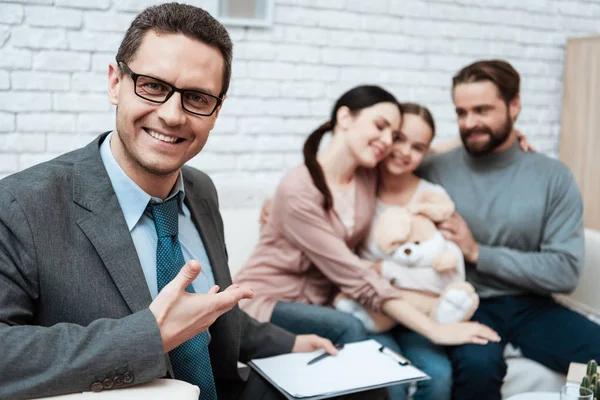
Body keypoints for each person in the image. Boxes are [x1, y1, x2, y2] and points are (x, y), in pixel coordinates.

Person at [0, 4, 370, 400]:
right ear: (115, 83)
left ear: (216, 110)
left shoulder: (200, 190)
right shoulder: (22, 205)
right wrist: (148, 336)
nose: (173, 115)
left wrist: (290, 344)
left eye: (196, 97)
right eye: (153, 86)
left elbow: (208, 311)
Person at [235, 86, 500, 399]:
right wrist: (436, 330)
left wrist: (498, 139)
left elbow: (419, 151)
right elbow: (356, 277)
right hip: (267, 301)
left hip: (322, 303)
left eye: (393, 133)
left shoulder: (365, 174)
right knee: (350, 329)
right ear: (345, 117)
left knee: (418, 368)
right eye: (380, 127)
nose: (388, 142)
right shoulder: (298, 190)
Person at [416, 59, 600, 400]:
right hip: (467, 304)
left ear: (514, 106)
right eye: (461, 112)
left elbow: (564, 272)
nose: (470, 123)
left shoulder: (552, 176)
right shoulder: (436, 169)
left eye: (482, 110)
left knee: (598, 363)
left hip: (532, 305)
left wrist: (477, 252)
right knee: (478, 370)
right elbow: (391, 163)